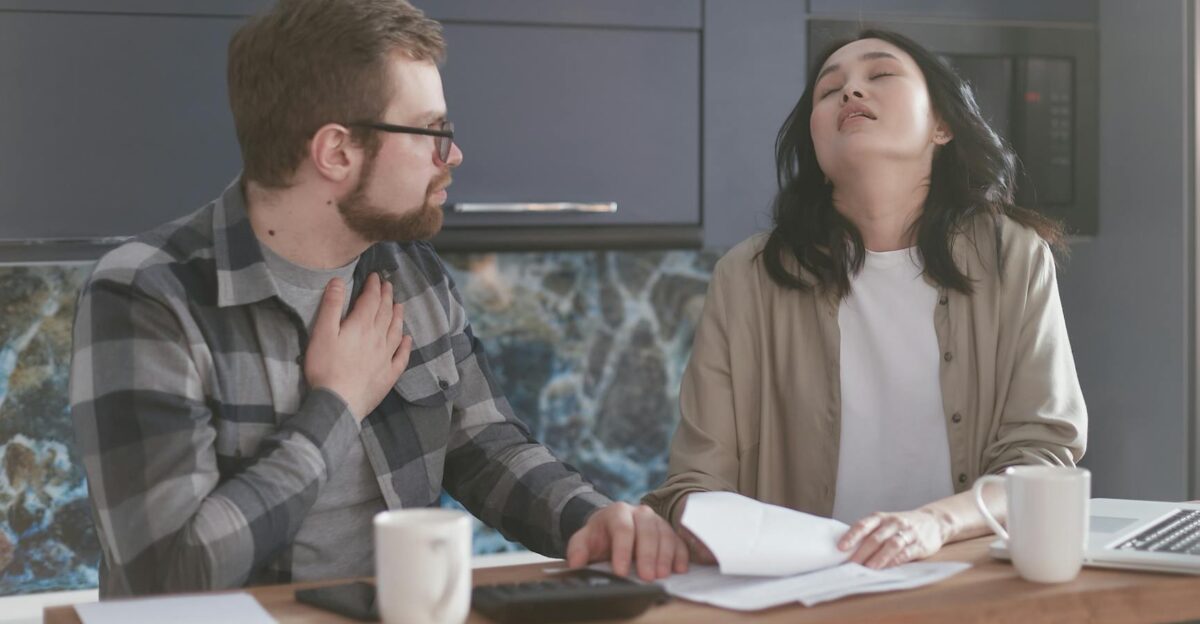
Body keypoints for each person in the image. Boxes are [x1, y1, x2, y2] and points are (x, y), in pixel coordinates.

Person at [70, 0, 685, 597]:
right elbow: (169, 575)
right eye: (431, 132)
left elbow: (484, 445)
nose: (454, 156)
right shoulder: (147, 294)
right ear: (337, 152)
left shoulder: (408, 271)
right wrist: (335, 406)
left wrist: (589, 519)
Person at [643, 29, 1087, 570]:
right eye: (829, 91)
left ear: (942, 125)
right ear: (815, 141)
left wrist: (934, 523)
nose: (850, 93)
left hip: (961, 580)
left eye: (879, 75)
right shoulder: (747, 276)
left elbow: (1041, 452)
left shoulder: (1011, 254)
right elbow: (696, 482)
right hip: (799, 591)